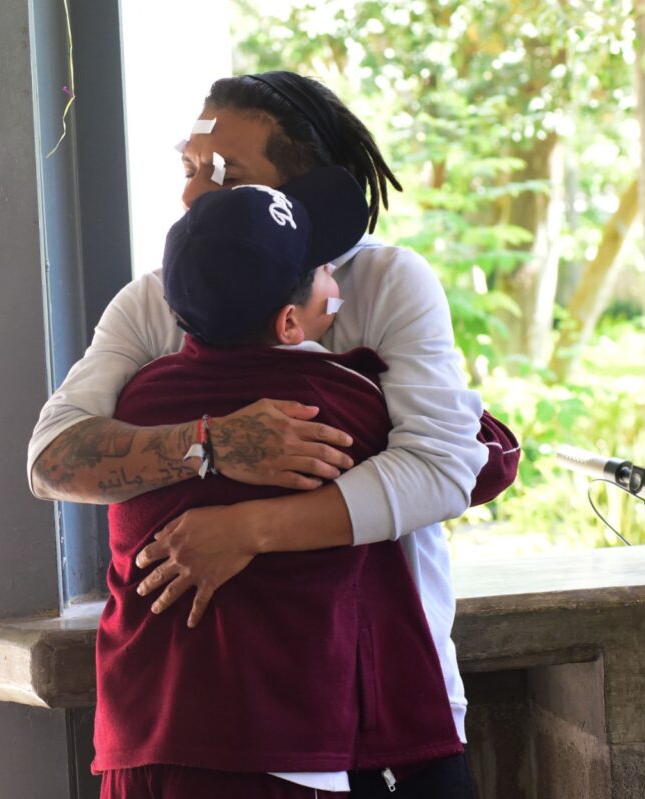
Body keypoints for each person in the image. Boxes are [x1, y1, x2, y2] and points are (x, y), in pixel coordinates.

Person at [29, 70, 519, 788]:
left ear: (306, 190)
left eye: (225, 174)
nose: (193, 196)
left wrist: (247, 529)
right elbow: (51, 459)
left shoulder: (389, 283)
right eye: (190, 168)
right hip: (184, 721)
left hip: (389, 703)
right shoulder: (153, 300)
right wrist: (209, 443)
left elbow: (443, 469)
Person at [95, 166, 470, 798]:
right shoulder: (340, 401)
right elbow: (474, 460)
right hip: (277, 743)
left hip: (139, 734)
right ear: (291, 324)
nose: (335, 279)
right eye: (324, 270)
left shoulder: (135, 400)